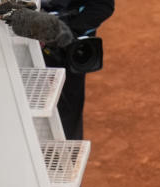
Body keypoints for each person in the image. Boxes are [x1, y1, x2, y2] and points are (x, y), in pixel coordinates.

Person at [40, 0, 115, 140]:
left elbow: (102, 7)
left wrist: (64, 32)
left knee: (66, 113)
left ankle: (66, 156)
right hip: (23, 50)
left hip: (67, 50)